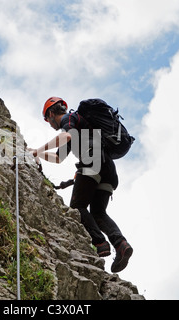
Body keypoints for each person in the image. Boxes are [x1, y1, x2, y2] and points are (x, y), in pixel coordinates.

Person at [29, 97, 133, 273]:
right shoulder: (80, 126)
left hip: (92, 162)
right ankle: (121, 244)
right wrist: (35, 154)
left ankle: (100, 244)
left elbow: (65, 135)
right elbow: (59, 158)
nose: (50, 124)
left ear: (51, 114)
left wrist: (38, 150)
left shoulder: (69, 119)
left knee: (77, 207)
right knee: (98, 213)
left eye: (48, 120)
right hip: (108, 169)